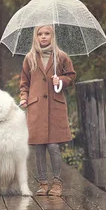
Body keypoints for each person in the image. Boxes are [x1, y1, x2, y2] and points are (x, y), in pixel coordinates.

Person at [19, 25, 76, 197]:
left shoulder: (61, 56)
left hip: (54, 107)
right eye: (40, 34)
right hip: (36, 108)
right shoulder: (29, 58)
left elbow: (71, 75)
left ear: (52, 36)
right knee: (39, 147)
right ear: (35, 37)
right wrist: (23, 96)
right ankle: (43, 183)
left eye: (47, 34)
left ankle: (57, 182)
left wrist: (61, 80)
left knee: (53, 146)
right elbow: (24, 82)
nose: (43, 37)